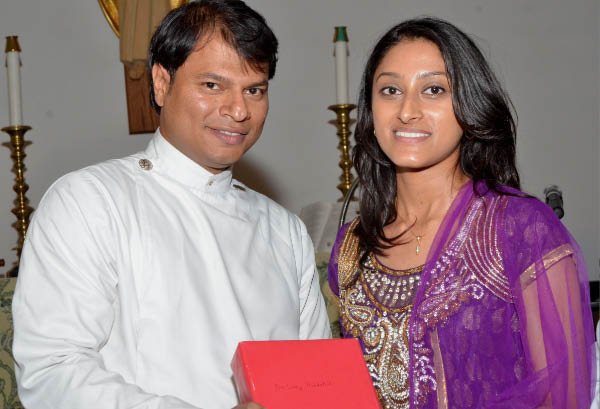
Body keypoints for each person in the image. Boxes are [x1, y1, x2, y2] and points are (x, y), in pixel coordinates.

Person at [12, 1, 330, 408]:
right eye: (212, 85)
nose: (238, 110)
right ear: (162, 83)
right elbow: (52, 372)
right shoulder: (89, 201)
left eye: (254, 90)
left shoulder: (285, 230)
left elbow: (315, 382)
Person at [328, 17, 596, 409]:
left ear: (469, 106)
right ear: (371, 109)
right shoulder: (352, 247)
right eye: (390, 90)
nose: (407, 111)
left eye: (434, 90)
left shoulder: (520, 230)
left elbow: (563, 397)